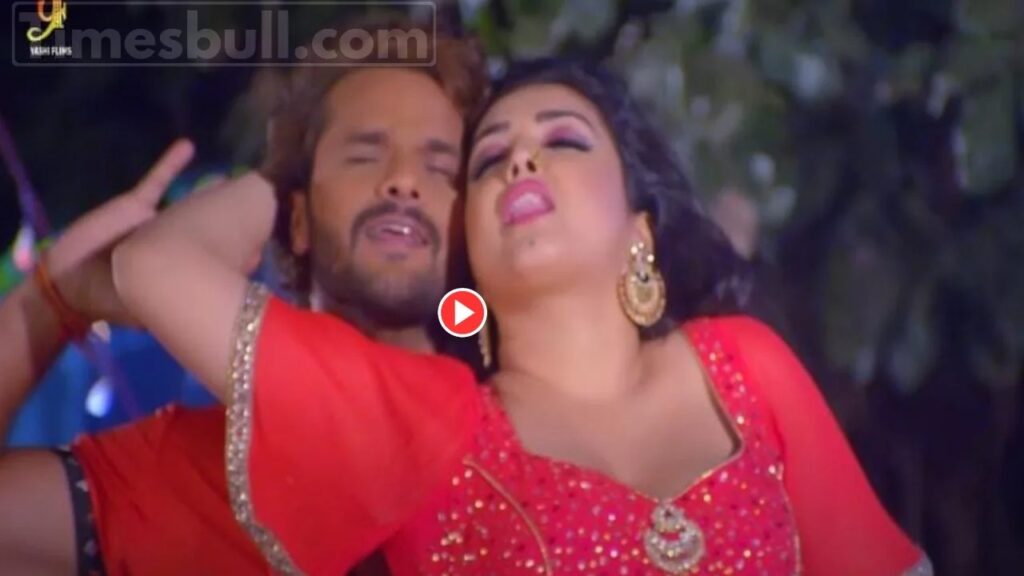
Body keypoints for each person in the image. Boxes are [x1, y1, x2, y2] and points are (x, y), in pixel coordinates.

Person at [111, 58, 933, 575]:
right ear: (468, 241)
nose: (523, 159)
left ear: (640, 226)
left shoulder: (743, 367)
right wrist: (297, 175)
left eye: (564, 141)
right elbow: (153, 266)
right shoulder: (426, 425)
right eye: (489, 159)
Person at [0, 20, 487, 575]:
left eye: (441, 167)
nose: (403, 180)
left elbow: (157, 265)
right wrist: (47, 306)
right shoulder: (179, 467)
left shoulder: (486, 415)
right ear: (296, 220)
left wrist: (87, 284)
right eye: (363, 155)